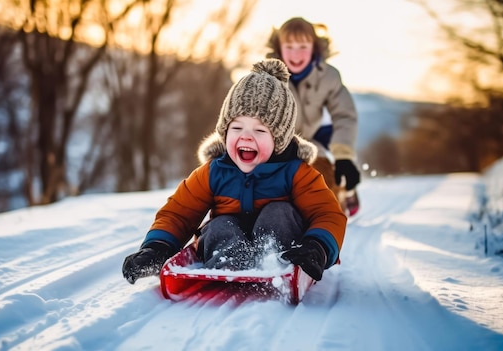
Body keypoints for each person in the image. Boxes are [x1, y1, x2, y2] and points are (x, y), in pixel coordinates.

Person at [122, 59, 347, 285]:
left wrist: (317, 247)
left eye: (260, 130)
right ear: (224, 132)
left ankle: (274, 263)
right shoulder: (214, 171)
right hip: (226, 245)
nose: (246, 137)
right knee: (219, 226)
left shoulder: (297, 172)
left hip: (282, 243)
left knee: (278, 213)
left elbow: (327, 214)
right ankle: (229, 264)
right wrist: (157, 247)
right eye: (236, 128)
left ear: (278, 139)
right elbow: (178, 212)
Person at [266, 17, 361, 216]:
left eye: (303, 46)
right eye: (289, 46)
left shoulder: (328, 76)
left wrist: (344, 156)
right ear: (279, 48)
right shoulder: (267, 78)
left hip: (315, 137)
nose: (296, 53)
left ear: (314, 47)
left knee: (323, 178)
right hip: (277, 145)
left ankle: (344, 191)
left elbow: (344, 116)